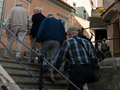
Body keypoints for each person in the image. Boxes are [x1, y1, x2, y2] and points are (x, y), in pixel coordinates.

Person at [51, 26, 99, 90]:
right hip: (88, 70)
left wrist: (54, 72)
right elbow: (94, 58)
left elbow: (60, 58)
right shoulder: (86, 42)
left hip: (77, 70)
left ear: (69, 33)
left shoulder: (68, 42)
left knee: (75, 87)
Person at [36, 13, 66, 83]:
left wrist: (38, 39)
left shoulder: (46, 21)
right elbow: (64, 33)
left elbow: (41, 29)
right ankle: (52, 76)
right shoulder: (59, 22)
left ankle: (44, 65)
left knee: (41, 52)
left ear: (47, 17)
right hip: (57, 41)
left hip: (47, 39)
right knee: (54, 58)